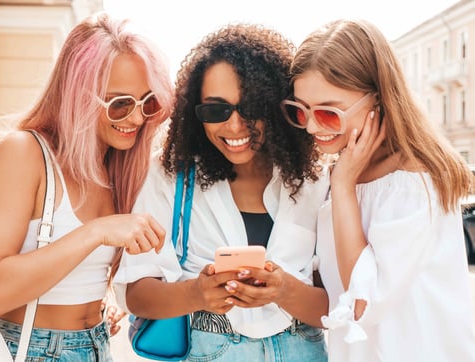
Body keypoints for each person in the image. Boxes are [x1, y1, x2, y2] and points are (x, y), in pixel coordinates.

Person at [113, 24, 329, 361]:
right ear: (194, 112)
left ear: (274, 106)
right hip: (210, 347)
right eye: (216, 110)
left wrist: (285, 291)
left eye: (251, 107)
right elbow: (136, 295)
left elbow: (339, 307)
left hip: (301, 347)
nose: (234, 126)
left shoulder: (314, 181)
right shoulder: (169, 176)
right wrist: (196, 294)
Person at [281, 18, 475, 361]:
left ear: (378, 100)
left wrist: (343, 187)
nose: (311, 126)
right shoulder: (347, 171)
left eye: (328, 113)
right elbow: (338, 288)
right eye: (300, 111)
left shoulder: (413, 181)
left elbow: (361, 303)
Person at [0, 12, 173, 360]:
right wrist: (96, 232)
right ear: (78, 96)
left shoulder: (120, 170)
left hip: (96, 345)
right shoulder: (24, 153)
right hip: (29, 349)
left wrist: (97, 302)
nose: (136, 118)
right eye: (120, 104)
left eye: (147, 102)